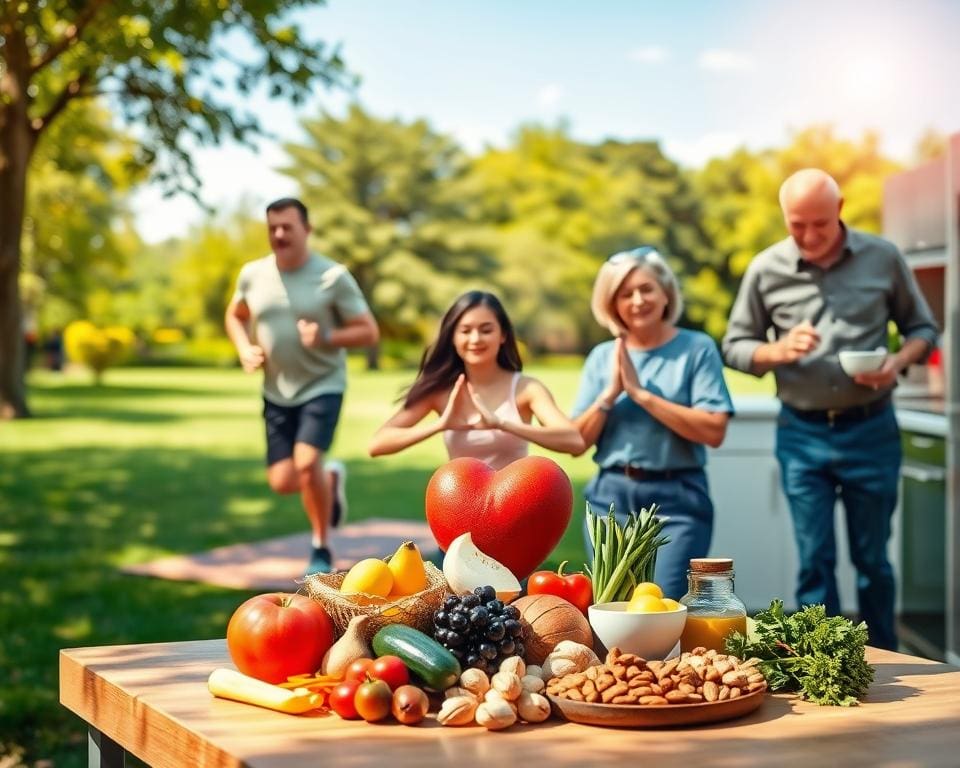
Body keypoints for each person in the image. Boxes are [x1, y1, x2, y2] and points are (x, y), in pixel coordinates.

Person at [722, 168, 938, 650]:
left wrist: (896, 363)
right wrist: (774, 353)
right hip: (801, 432)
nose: (809, 236)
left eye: (819, 223)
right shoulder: (766, 268)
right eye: (797, 225)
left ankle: (885, 659)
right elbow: (734, 346)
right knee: (814, 558)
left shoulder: (883, 258)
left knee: (873, 560)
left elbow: (923, 330)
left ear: (839, 211)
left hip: (872, 428)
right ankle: (825, 660)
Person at [226, 197, 380, 575]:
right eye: (272, 228)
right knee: (282, 481)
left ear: (306, 230)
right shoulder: (252, 274)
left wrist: (326, 335)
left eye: (287, 227)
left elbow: (368, 331)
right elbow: (235, 315)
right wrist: (244, 347)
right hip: (276, 389)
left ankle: (321, 547)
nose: (279, 235)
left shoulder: (332, 276)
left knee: (307, 461)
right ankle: (329, 479)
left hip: (322, 384)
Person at [571, 247, 734, 600]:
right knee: (612, 611)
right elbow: (577, 442)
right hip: (608, 502)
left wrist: (642, 395)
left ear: (666, 293)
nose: (637, 300)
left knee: (662, 605)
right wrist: (610, 394)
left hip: (676, 502)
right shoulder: (602, 358)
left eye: (646, 289)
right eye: (625, 294)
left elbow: (714, 430)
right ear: (612, 303)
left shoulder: (696, 349)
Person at [368, 290, 584, 469]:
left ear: (503, 335)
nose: (475, 339)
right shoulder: (442, 392)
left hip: (513, 508)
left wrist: (503, 424)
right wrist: (439, 425)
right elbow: (378, 444)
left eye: (486, 330)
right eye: (465, 330)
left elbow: (574, 441)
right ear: (453, 337)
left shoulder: (526, 389)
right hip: (462, 509)